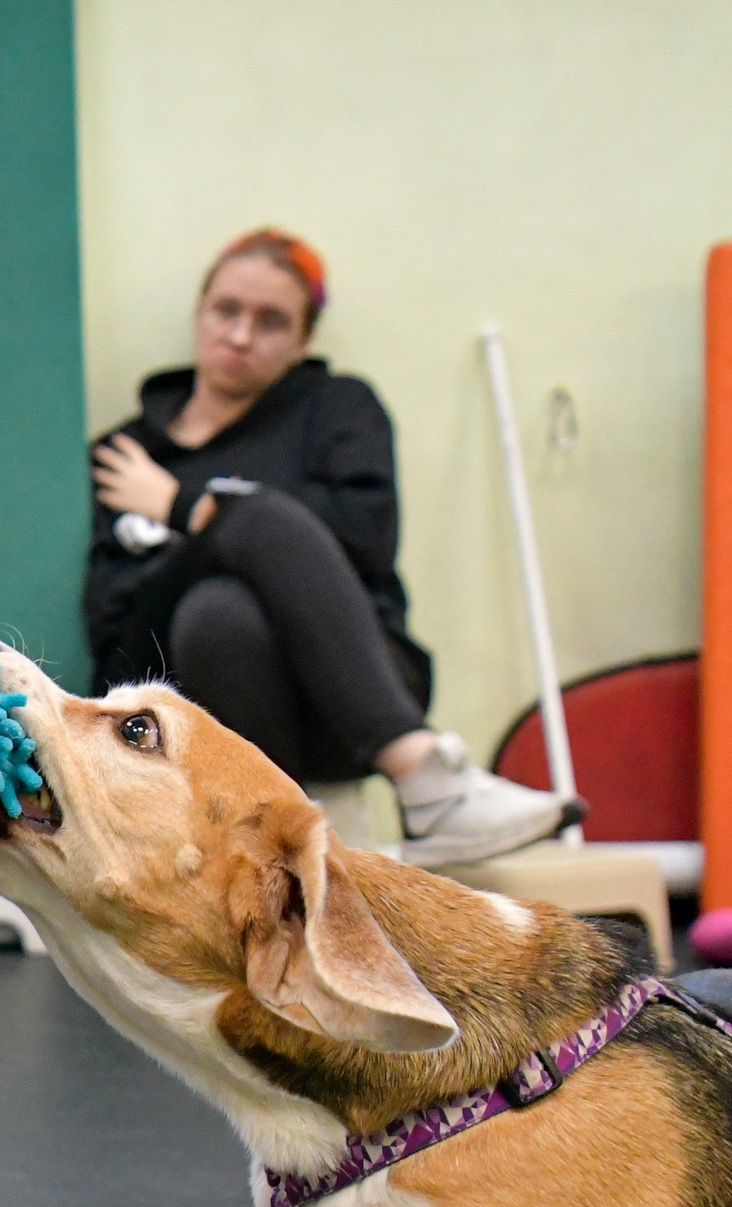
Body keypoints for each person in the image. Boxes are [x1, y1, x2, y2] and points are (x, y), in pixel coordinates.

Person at [85, 228, 572, 866]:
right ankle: (426, 781)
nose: (240, 336)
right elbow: (112, 619)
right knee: (215, 602)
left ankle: (284, 841)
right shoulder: (130, 451)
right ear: (199, 313)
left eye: (271, 321)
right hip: (177, 704)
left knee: (230, 598)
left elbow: (367, 543)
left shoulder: (339, 410)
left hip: (343, 697)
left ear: (303, 340)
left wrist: (182, 505)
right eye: (226, 311)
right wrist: (213, 523)